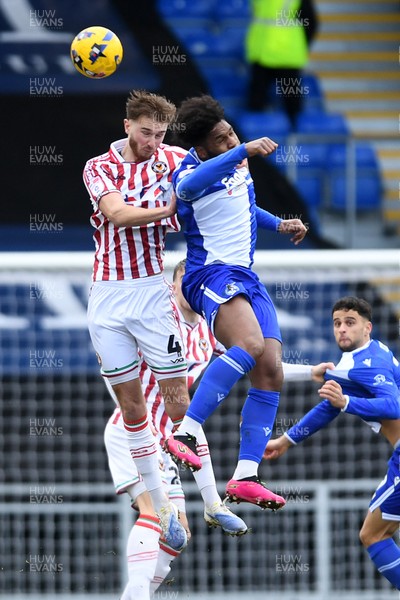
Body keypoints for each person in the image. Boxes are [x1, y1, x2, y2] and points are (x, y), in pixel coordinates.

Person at [164, 94, 308, 511]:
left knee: (271, 368)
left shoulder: (235, 162)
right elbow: (186, 188)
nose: (230, 142)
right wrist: (242, 151)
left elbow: (242, 203)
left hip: (245, 274)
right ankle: (186, 431)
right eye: (221, 141)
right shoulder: (190, 171)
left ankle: (245, 475)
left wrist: (278, 223)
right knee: (248, 345)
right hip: (208, 274)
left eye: (232, 135)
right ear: (202, 148)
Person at [83, 89, 191, 552]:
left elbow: (221, 171)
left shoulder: (174, 158)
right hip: (107, 297)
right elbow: (116, 213)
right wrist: (171, 210)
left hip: (151, 292)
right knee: (130, 407)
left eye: (160, 134)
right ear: (127, 126)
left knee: (177, 402)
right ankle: (162, 505)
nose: (152, 141)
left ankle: (199, 491)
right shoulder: (98, 166)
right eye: (146, 132)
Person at [104, 259, 248, 599]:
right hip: (134, 431)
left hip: (167, 441)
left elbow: (256, 361)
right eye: (187, 277)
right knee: (154, 513)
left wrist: (311, 372)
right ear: (174, 282)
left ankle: (137, 594)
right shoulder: (156, 313)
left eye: (200, 279)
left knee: (177, 535)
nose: (193, 284)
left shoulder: (207, 331)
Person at [265, 296, 400, 590]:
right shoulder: (370, 354)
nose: (342, 329)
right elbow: (329, 406)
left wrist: (347, 401)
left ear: (368, 327)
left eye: (350, 323)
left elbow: (393, 406)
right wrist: (287, 440)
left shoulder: (366, 363)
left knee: (373, 535)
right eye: (337, 323)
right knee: (374, 532)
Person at [245, 0, 319, 128]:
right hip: (262, 53)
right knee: (256, 100)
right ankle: (256, 135)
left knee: (292, 102)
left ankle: (295, 134)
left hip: (285, 56)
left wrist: (299, 45)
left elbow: (310, 23)